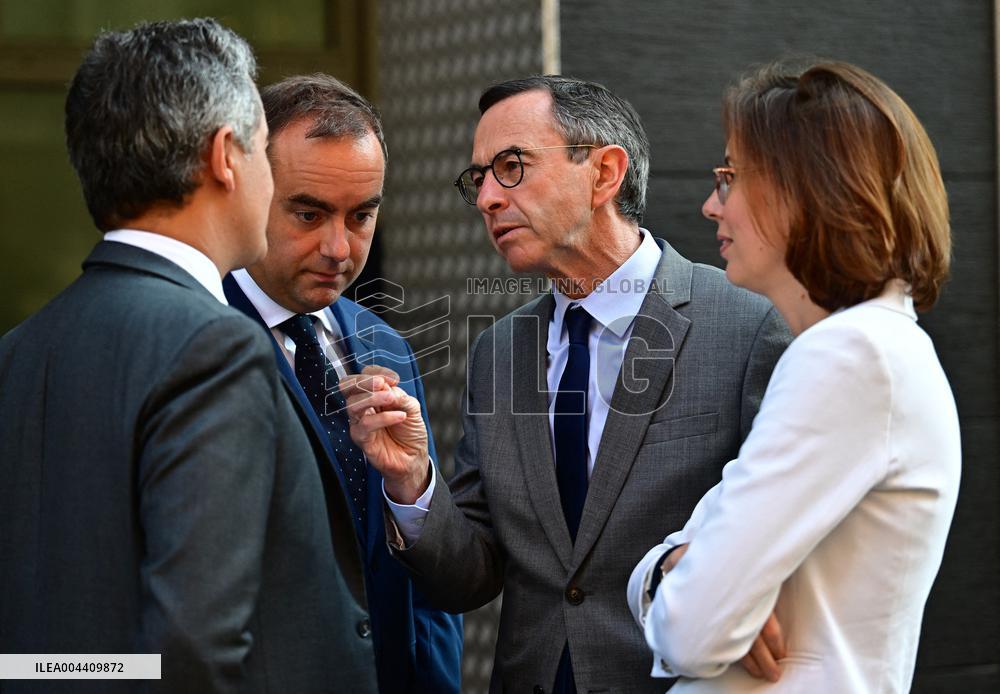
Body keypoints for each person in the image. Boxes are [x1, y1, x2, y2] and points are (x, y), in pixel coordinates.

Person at [341, 76, 791, 693]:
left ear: (605, 173)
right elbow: (469, 576)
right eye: (479, 179)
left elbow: (797, 531)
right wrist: (411, 480)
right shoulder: (498, 351)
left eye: (512, 167)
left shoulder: (748, 324)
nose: (487, 199)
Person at [0, 20, 377, 694]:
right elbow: (191, 648)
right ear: (225, 156)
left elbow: (38, 651)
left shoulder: (19, 351)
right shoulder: (216, 346)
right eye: (264, 148)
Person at [627, 61, 960, 692]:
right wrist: (674, 566)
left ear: (806, 189)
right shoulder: (859, 351)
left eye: (730, 178)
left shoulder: (850, 357)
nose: (709, 204)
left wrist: (689, 587)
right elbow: (681, 574)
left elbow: (693, 629)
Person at [221, 73, 463, 694]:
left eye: (362, 216)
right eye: (309, 213)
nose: (338, 247)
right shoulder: (189, 340)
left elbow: (422, 586)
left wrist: (412, 486)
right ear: (249, 187)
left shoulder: (388, 345)